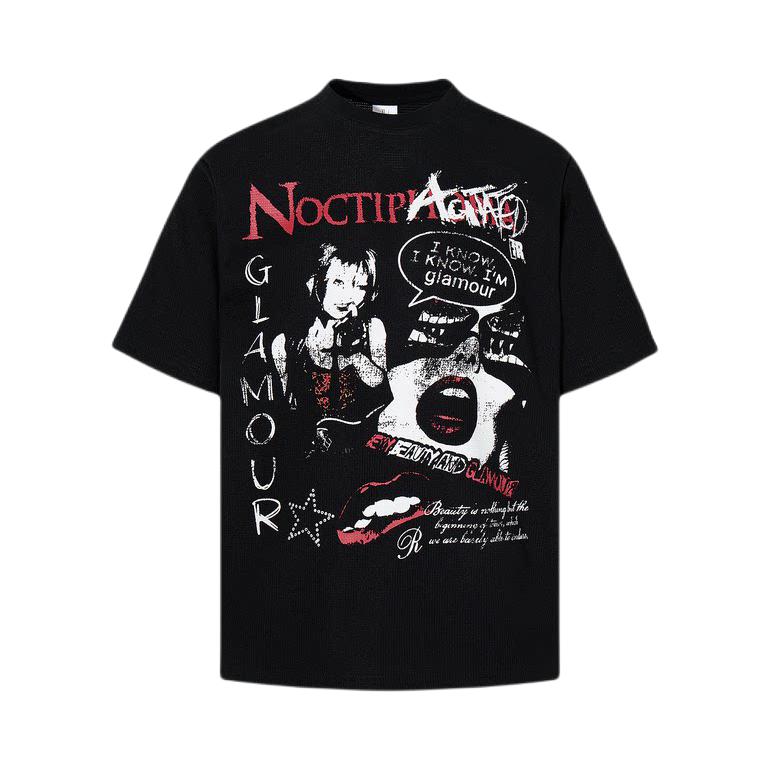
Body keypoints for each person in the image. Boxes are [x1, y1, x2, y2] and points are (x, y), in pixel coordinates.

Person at [272, 243, 389, 456]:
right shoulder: (286, 343)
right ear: (315, 283)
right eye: (338, 282)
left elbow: (381, 387)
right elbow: (286, 407)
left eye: (360, 286)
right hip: (306, 454)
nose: (348, 295)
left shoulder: (373, 328)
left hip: (363, 452)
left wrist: (355, 354)